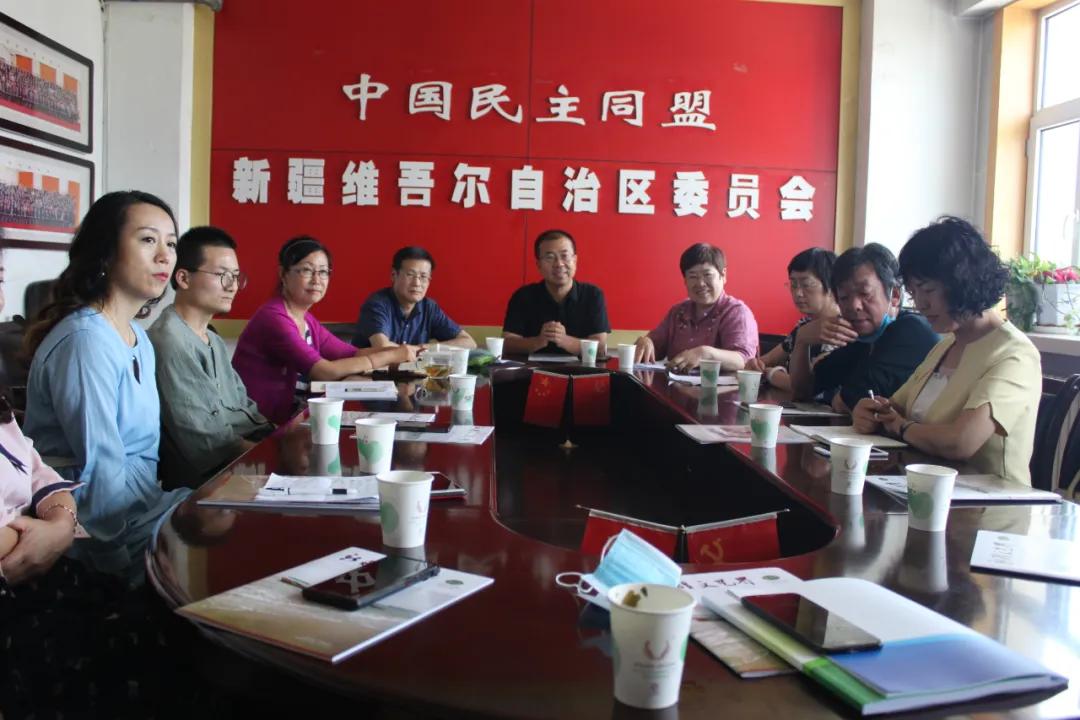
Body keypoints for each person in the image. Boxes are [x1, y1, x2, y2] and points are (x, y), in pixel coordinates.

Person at [23, 190, 191, 583]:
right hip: (95, 525)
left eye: (171, 244)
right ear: (106, 252)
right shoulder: (87, 340)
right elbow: (100, 464)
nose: (165, 256)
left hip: (142, 504)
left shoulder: (137, 337)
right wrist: (114, 565)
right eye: (148, 239)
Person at [853, 217, 1041, 485]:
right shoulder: (946, 344)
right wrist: (870, 413)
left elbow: (960, 442)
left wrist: (901, 427)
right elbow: (894, 407)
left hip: (987, 499)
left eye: (928, 289)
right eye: (913, 292)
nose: (921, 303)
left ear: (964, 282)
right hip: (924, 485)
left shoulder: (1014, 354)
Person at [233, 236, 414, 424]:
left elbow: (352, 353)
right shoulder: (274, 318)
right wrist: (392, 355)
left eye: (323, 272)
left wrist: (403, 352)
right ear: (283, 274)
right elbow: (324, 371)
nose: (317, 280)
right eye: (306, 270)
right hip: (263, 426)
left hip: (296, 419)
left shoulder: (306, 320)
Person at [148, 226, 274, 489]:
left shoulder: (213, 339)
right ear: (183, 278)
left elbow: (246, 409)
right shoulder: (170, 342)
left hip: (244, 462)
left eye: (236, 276)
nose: (232, 286)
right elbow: (211, 443)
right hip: (212, 483)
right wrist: (277, 456)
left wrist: (283, 439)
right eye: (222, 275)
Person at [790, 243, 938, 412]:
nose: (854, 306)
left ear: (895, 295)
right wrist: (801, 341)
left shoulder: (913, 331)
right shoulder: (862, 339)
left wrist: (841, 398)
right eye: (844, 297)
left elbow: (848, 401)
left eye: (865, 293)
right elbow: (802, 392)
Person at [635, 243, 758, 372]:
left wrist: (705, 353)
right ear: (685, 281)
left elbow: (743, 360)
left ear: (723, 275)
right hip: (675, 383)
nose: (700, 283)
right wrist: (646, 342)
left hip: (720, 385)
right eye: (693, 276)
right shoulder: (678, 312)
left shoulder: (736, 312)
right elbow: (656, 347)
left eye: (707, 275)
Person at [502, 229, 610, 356]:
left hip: (581, 368)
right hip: (531, 368)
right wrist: (538, 341)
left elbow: (600, 347)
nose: (559, 264)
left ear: (575, 260)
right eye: (550, 257)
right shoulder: (523, 296)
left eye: (564, 256)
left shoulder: (592, 295)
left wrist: (565, 340)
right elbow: (507, 343)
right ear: (538, 265)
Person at [746, 248, 840, 391]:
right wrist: (754, 364)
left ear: (831, 286)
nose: (798, 293)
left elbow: (811, 387)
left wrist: (770, 374)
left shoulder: (840, 329)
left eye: (806, 285)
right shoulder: (804, 324)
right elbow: (767, 360)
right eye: (793, 285)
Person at [353, 245, 475, 350]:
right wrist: (420, 350)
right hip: (370, 370)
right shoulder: (377, 304)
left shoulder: (429, 307)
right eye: (410, 275)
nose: (417, 283)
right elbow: (382, 347)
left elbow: (468, 342)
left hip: (412, 369)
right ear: (394, 275)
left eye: (423, 276)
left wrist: (427, 348)